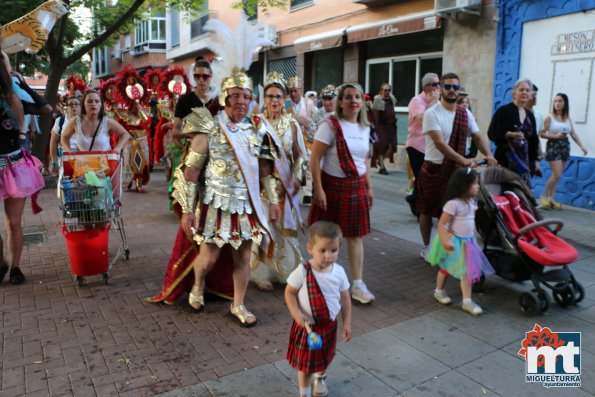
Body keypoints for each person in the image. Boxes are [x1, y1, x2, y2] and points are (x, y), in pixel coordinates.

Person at [175, 16, 280, 327]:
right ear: (225, 98)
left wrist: (272, 200)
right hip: (214, 203)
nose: (240, 102)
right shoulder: (209, 127)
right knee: (207, 258)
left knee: (244, 258)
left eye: (246, 97)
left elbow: (264, 170)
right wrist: (186, 209)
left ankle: (239, 304)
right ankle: (197, 286)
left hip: (246, 205)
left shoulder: (258, 131)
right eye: (235, 97)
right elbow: (190, 172)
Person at [417, 73, 497, 261]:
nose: (452, 90)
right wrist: (464, 159)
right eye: (448, 87)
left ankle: (449, 246)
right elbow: (439, 144)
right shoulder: (432, 113)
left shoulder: (465, 113)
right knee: (427, 211)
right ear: (440, 89)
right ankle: (427, 247)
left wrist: (489, 154)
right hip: (434, 168)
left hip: (455, 172)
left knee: (454, 211)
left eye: (455, 87)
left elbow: (477, 136)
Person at [309, 83, 375, 304]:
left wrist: (369, 188)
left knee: (356, 237)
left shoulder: (365, 127)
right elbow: (315, 158)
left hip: (356, 188)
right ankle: (321, 280)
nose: (353, 101)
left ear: (362, 102)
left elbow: (364, 160)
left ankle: (357, 284)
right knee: (327, 237)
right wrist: (318, 189)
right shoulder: (330, 125)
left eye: (357, 97)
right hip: (332, 187)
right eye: (348, 97)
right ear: (341, 102)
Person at [250, 71, 308, 290]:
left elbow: (298, 153)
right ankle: (261, 273)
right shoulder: (257, 124)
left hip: (286, 186)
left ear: (284, 98)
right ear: (264, 99)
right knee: (267, 227)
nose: (274, 100)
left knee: (285, 228)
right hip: (264, 185)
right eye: (270, 96)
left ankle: (286, 271)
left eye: (278, 96)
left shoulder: (291, 123)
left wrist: (298, 175)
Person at [285, 221, 352, 397]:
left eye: (333, 250)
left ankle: (320, 377)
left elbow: (345, 299)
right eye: (322, 250)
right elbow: (290, 293)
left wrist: (347, 323)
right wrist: (296, 314)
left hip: (329, 325)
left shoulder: (339, 272)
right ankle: (304, 392)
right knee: (305, 365)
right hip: (307, 328)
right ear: (310, 248)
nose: (328, 255)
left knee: (323, 358)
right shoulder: (303, 271)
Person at [0, 52, 45, 285]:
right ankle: (1, 263)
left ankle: (15, 267)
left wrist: (21, 80)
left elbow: (44, 107)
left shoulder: (13, 98)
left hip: (13, 166)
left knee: (13, 222)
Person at [427, 167, 495, 316]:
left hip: (468, 243)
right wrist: (445, 241)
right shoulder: (453, 204)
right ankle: (439, 291)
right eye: (475, 184)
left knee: (467, 272)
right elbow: (442, 224)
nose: (478, 186)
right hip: (454, 242)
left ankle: (467, 301)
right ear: (464, 186)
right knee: (445, 268)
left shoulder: (471, 201)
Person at [539, 93, 588, 209]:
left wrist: (582, 146)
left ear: (565, 103)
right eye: (555, 101)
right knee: (557, 173)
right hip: (553, 146)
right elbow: (541, 133)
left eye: (560, 101)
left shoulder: (567, 118)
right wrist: (555, 136)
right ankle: (544, 198)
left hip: (565, 147)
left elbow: (573, 134)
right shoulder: (549, 117)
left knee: (557, 176)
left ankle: (551, 199)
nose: (557, 103)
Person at [487, 78, 541, 182]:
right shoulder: (504, 111)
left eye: (527, 90)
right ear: (514, 93)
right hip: (505, 161)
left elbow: (534, 140)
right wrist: (509, 134)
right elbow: (492, 133)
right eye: (521, 90)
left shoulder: (530, 116)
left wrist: (535, 162)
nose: (524, 92)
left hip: (524, 165)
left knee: (520, 195)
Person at [405, 73, 440, 213]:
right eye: (435, 84)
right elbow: (421, 119)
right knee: (421, 178)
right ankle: (420, 208)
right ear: (426, 87)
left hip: (431, 147)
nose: (438, 87)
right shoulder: (417, 100)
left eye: (439, 84)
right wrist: (431, 103)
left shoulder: (439, 101)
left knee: (426, 180)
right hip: (416, 145)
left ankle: (414, 199)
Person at [60, 90, 130, 153]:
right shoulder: (75, 121)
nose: (93, 104)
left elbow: (125, 134)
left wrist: (118, 147)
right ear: (83, 104)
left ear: (101, 105)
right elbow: (64, 137)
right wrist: (69, 151)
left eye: (97, 101)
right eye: (90, 101)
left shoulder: (107, 121)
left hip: (105, 165)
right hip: (83, 165)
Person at [287, 76, 316, 205]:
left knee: (308, 164)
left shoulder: (308, 103)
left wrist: (308, 124)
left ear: (301, 90)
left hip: (306, 138)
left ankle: (307, 193)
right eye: (291, 91)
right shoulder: (286, 103)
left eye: (296, 90)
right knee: (293, 165)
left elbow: (314, 119)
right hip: (291, 138)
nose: (294, 94)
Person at [49, 96, 81, 175]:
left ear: (81, 107)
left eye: (76, 104)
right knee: (66, 183)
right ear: (67, 107)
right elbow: (53, 142)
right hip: (65, 157)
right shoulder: (60, 121)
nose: (73, 106)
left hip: (82, 157)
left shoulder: (86, 121)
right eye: (70, 104)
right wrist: (54, 162)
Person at [371, 83, 397, 175]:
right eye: (385, 90)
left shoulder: (391, 100)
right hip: (381, 127)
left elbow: (392, 111)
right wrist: (374, 128)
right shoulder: (377, 101)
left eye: (389, 90)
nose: (387, 92)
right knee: (381, 146)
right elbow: (375, 115)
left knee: (391, 147)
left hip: (390, 127)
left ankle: (380, 160)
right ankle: (382, 167)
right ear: (381, 91)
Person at [456, 91, 478, 159]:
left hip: (466, 150)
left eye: (466, 102)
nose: (465, 104)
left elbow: (475, 135)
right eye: (462, 102)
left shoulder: (470, 117)